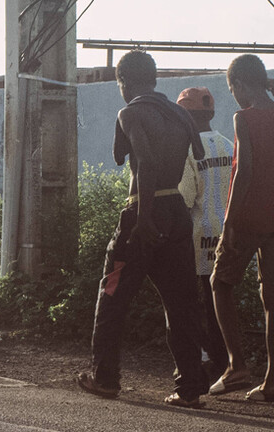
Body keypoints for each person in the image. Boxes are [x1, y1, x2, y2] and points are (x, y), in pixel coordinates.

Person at [75, 50, 209, 408]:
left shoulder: (130, 111)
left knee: (113, 294)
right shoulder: (182, 114)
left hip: (142, 213)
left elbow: (139, 160)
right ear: (154, 78)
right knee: (182, 302)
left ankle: (104, 378)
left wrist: (144, 218)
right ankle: (190, 387)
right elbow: (194, 153)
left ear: (124, 82)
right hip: (177, 212)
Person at [210, 54, 274, 402]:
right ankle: (271, 382)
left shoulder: (243, 118)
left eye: (232, 88)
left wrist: (230, 221)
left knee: (220, 283)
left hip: (247, 217)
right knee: (272, 301)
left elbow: (244, 171)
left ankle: (237, 366)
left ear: (239, 86)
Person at [175, 87, 233, 382]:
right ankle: (229, 362)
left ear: (185, 116)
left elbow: (185, 199)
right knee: (222, 300)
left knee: (196, 303)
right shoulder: (229, 146)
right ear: (210, 114)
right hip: (231, 236)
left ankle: (209, 361)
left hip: (199, 238)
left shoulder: (188, 150)